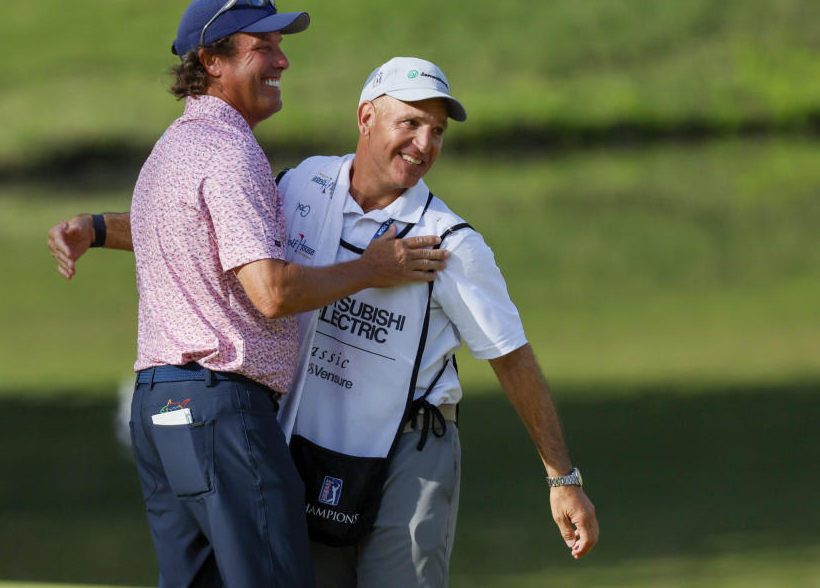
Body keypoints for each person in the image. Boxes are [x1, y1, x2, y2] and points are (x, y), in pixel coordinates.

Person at [49, 57, 599, 586]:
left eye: (436, 131)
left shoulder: (449, 242)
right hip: (309, 443)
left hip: (411, 449)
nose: (424, 145)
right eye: (410, 122)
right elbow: (204, 228)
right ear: (366, 117)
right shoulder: (303, 186)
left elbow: (512, 357)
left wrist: (562, 479)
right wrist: (98, 229)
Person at [80, 0, 451, 588]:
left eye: (281, 46)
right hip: (221, 415)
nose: (282, 61)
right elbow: (271, 292)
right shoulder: (231, 152)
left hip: (160, 411)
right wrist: (372, 268)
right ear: (212, 61)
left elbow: (185, 237)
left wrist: (95, 228)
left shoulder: (171, 147)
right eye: (264, 47)